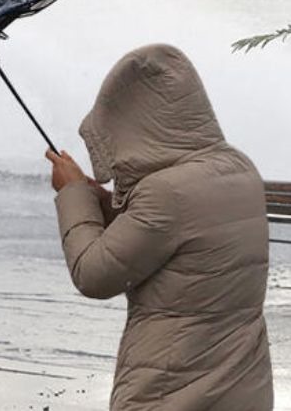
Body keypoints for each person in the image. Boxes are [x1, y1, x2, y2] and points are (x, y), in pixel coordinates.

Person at [45, 43, 272, 410]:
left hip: (171, 387)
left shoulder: (166, 192)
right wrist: (99, 199)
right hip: (242, 387)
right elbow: (175, 240)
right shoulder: (238, 167)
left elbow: (94, 275)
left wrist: (73, 194)